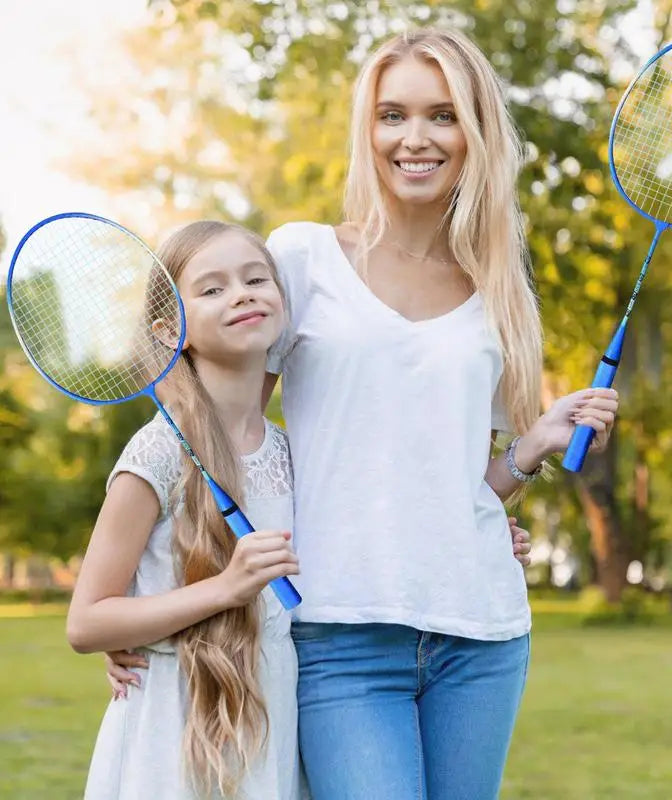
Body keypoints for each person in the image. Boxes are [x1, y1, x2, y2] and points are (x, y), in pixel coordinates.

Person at [109, 25, 617, 800]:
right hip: (342, 637)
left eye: (442, 115)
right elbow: (223, 443)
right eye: (393, 115)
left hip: (481, 633)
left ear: (475, 131)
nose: (415, 138)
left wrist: (527, 452)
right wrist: (155, 604)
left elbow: (442, 483)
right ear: (368, 130)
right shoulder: (303, 261)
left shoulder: (501, 290)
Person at [67, 221, 303, 800]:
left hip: (268, 717)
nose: (243, 293)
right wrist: (227, 588)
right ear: (172, 329)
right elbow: (87, 621)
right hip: (171, 732)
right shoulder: (157, 452)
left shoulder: (289, 450)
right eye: (213, 288)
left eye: (255, 278)